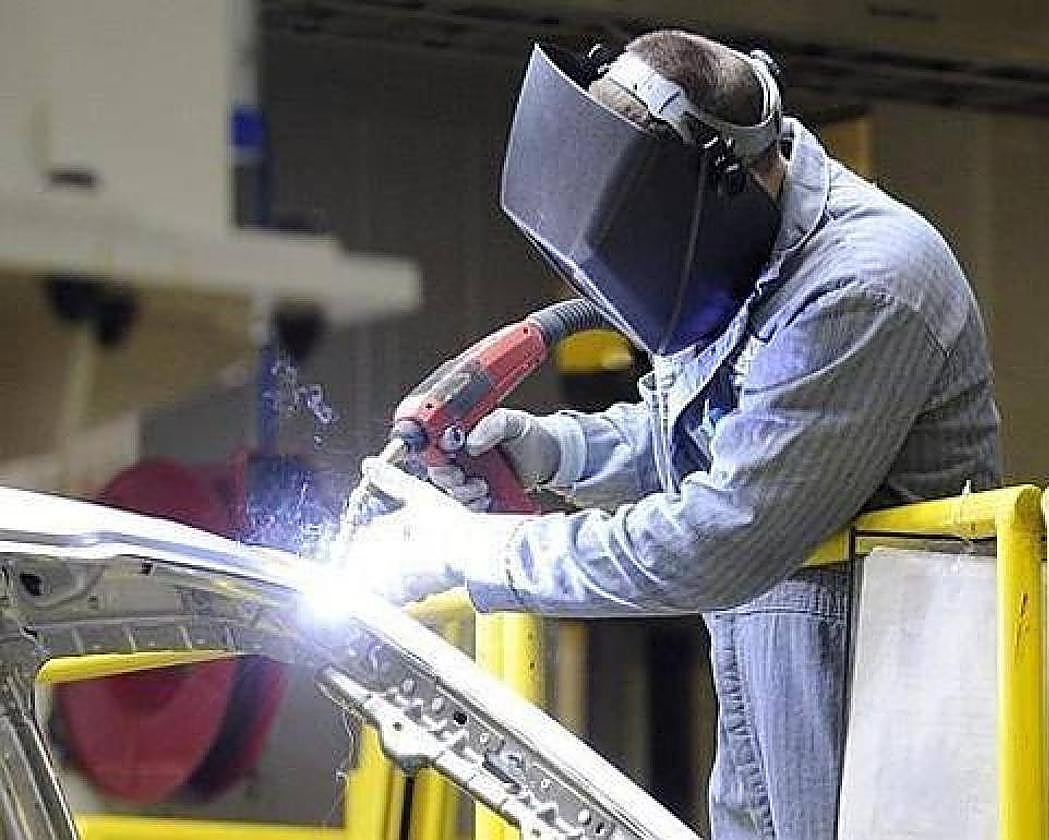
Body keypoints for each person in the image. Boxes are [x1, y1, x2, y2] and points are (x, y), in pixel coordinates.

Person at [349, 29, 1000, 840]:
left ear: (720, 185)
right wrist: (550, 451)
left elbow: (721, 535)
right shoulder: (741, 255)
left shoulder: (865, 286)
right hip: (773, 757)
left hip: (893, 783)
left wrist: (469, 552)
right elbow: (700, 435)